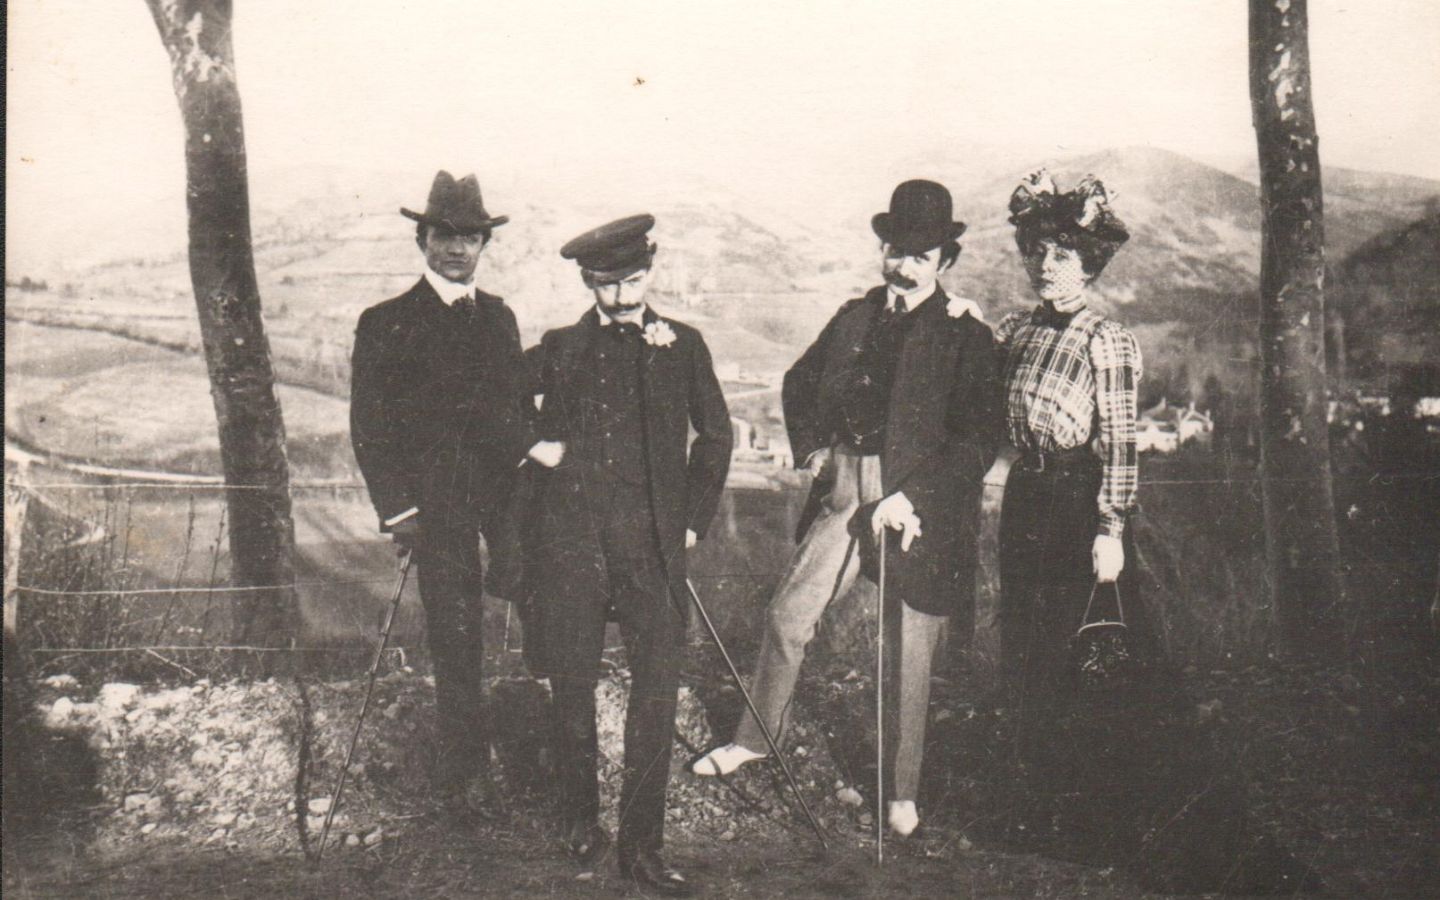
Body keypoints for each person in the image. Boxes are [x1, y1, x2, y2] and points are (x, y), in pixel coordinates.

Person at [692, 180, 1001, 838]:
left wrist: (912, 495)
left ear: (946, 260)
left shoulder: (965, 336)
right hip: (846, 489)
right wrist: (811, 450)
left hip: (918, 503)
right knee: (787, 614)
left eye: (921, 254)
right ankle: (755, 738)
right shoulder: (857, 317)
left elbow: (978, 439)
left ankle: (902, 792)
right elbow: (799, 379)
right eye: (895, 249)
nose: (904, 263)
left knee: (906, 650)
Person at [522, 214, 731, 896]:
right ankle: (581, 823)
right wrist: (537, 444)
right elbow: (492, 403)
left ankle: (643, 846)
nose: (622, 297)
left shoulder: (684, 346)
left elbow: (716, 438)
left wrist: (692, 522)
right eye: (608, 285)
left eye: (634, 281)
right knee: (573, 686)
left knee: (655, 694)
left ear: (651, 271)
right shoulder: (559, 348)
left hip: (653, 548)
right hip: (574, 544)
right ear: (588, 282)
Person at [350, 170, 556, 821]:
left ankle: (550, 763)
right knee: (457, 632)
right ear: (423, 239)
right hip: (436, 510)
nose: (458, 249)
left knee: (542, 618)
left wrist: (535, 470)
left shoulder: (499, 317)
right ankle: (464, 772)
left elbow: (518, 408)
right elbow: (369, 425)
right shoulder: (386, 323)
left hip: (507, 500)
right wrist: (400, 510)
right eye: (445, 236)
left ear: (484, 246)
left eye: (471, 238)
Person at [993, 168, 1149, 704]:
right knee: (1020, 617)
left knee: (1072, 627)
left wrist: (1110, 530)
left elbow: (1123, 443)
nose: (1044, 267)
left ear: (1087, 267)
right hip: (1025, 491)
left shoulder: (1107, 340)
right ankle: (1027, 746)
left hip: (1075, 496)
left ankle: (1077, 754)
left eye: (1061, 257)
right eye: (1036, 253)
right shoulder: (1016, 330)